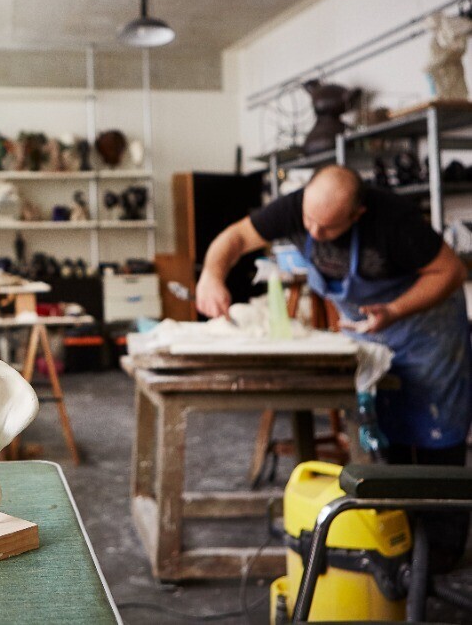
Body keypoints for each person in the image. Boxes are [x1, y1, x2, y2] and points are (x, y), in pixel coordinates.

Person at [196, 165, 472, 568]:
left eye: (326, 227)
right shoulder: (297, 209)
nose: (313, 232)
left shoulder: (394, 221)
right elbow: (235, 237)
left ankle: (444, 551)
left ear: (357, 214)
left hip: (426, 330)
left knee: (435, 433)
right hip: (370, 328)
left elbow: (450, 271)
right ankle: (397, 536)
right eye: (309, 220)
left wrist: (394, 310)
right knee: (383, 426)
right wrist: (210, 274)